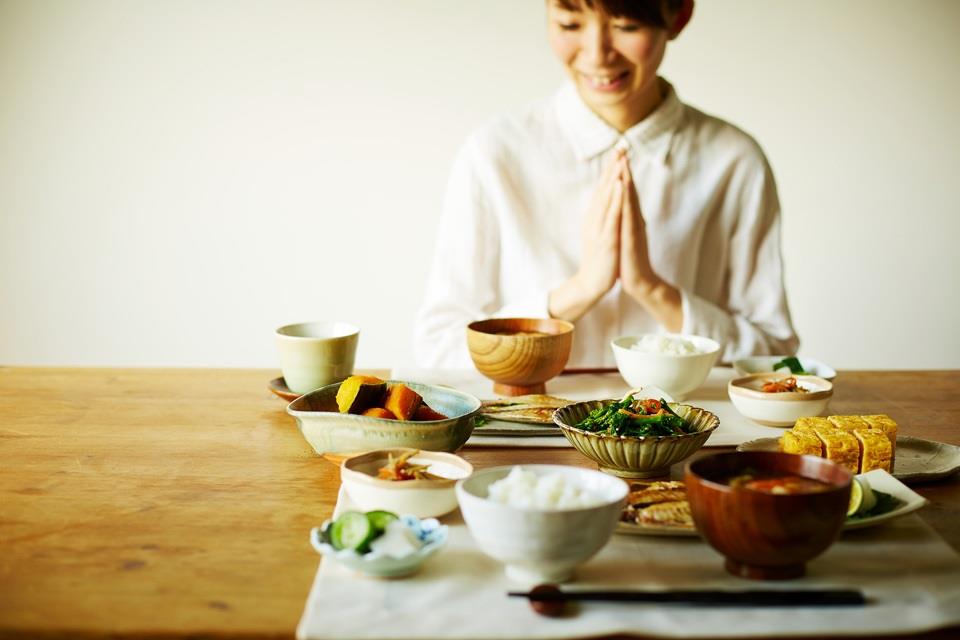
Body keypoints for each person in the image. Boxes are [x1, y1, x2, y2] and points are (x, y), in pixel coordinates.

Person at [414, 0, 799, 369]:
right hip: (531, 429)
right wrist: (578, 291)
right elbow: (439, 348)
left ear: (678, 15)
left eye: (625, 26)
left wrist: (653, 291)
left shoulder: (733, 159)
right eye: (570, 24)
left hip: (687, 433)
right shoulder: (495, 151)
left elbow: (774, 358)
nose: (597, 54)